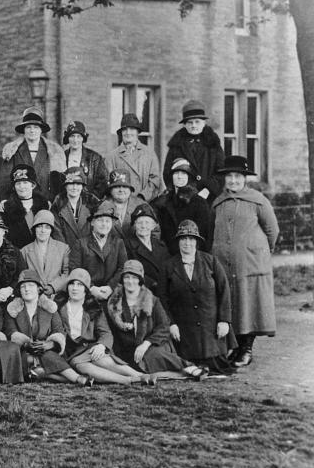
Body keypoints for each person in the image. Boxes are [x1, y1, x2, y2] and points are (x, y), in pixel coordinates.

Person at [211, 155, 279, 367]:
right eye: (229, 176)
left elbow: (272, 230)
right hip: (224, 262)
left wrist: (259, 251)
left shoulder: (258, 200)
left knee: (248, 304)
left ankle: (247, 349)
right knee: (231, 304)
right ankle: (236, 348)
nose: (233, 181)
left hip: (250, 264)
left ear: (245, 178)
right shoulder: (218, 202)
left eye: (237, 176)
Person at [158, 220, 236, 374]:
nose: (187, 243)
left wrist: (224, 320)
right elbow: (162, 299)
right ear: (178, 242)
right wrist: (171, 324)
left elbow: (224, 291)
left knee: (218, 367)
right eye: (183, 239)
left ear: (197, 242)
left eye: (191, 239)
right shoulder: (168, 266)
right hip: (184, 332)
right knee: (187, 365)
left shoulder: (211, 261)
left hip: (211, 329)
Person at [107, 260, 206, 381]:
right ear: (122, 280)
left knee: (152, 354)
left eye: (134, 277)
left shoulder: (152, 300)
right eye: (126, 277)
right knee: (123, 361)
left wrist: (146, 344)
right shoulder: (114, 302)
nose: (130, 281)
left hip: (153, 344)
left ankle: (188, 366)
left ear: (140, 280)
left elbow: (164, 326)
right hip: (127, 348)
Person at [58, 268, 154, 385]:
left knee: (103, 360)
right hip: (69, 351)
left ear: (86, 289)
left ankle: (140, 375)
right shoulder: (59, 306)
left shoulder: (93, 307)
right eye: (72, 284)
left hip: (89, 347)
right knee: (82, 365)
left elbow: (105, 332)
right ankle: (129, 380)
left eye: (80, 285)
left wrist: (102, 345)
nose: (74, 288)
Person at [4, 270, 92, 386]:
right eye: (23, 286)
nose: (26, 289)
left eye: (31, 285)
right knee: (28, 358)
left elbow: (59, 330)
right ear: (19, 291)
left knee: (47, 355)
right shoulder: (12, 309)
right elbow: (11, 332)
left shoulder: (49, 308)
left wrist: (51, 344)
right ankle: (72, 379)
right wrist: (25, 344)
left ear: (39, 289)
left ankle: (71, 378)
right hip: (22, 353)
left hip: (45, 352)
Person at [68, 202, 127, 312]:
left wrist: (110, 287)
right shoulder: (81, 243)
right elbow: (75, 269)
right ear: (92, 223)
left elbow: (122, 268)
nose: (104, 224)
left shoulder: (118, 243)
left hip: (112, 294)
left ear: (112, 224)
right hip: (86, 294)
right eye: (100, 220)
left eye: (108, 221)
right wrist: (91, 288)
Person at [163, 100, 225, 203]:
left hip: (208, 197)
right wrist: (180, 193)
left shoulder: (213, 144)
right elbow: (167, 173)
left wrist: (208, 190)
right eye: (190, 122)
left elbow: (221, 172)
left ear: (204, 123)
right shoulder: (177, 145)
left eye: (197, 122)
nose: (193, 125)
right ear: (184, 125)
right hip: (182, 199)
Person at [0, 106, 66, 201]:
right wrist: (5, 201)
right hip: (19, 202)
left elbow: (59, 182)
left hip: (46, 202)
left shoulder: (53, 151)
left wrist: (55, 203)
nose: (32, 130)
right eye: (28, 127)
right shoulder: (13, 151)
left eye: (36, 127)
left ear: (41, 130)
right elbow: (5, 180)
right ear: (24, 130)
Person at [152, 158, 213, 254]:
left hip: (192, 254)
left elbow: (205, 234)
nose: (179, 177)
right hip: (168, 255)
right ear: (171, 177)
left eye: (184, 173)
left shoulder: (199, 203)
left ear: (189, 177)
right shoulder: (163, 202)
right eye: (176, 173)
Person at [105, 113, 162, 202]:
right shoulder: (111, 157)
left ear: (137, 132)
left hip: (144, 204)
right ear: (121, 133)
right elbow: (108, 183)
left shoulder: (149, 154)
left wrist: (142, 197)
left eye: (132, 129)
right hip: (120, 204)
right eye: (125, 130)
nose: (128, 133)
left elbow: (155, 180)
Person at [20, 210, 69, 302]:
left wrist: (53, 286)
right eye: (39, 226)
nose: (43, 230)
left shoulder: (63, 248)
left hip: (58, 297)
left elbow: (67, 273)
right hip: (33, 297)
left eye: (47, 227)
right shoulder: (24, 251)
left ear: (51, 230)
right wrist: (35, 287)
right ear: (34, 229)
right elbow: (22, 275)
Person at [122, 203, 170, 295]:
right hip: (143, 292)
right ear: (134, 225)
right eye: (140, 222)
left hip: (165, 291)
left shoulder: (160, 245)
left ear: (153, 226)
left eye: (147, 222)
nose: (143, 226)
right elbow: (128, 271)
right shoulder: (126, 245)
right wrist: (154, 284)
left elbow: (169, 268)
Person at [0, 164, 51, 248]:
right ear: (14, 187)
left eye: (25, 182)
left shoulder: (44, 205)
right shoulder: (7, 207)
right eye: (18, 183)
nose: (22, 186)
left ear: (33, 185)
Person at [51, 167, 98, 249]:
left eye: (78, 184)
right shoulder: (57, 205)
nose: (74, 187)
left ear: (83, 186)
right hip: (66, 251)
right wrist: (65, 252)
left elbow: (97, 230)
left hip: (89, 251)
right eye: (71, 184)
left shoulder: (92, 203)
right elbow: (57, 232)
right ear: (65, 186)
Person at [62, 120, 108, 200]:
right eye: (72, 136)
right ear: (68, 138)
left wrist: (89, 201)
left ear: (83, 138)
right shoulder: (61, 157)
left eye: (79, 136)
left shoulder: (95, 158)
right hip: (66, 202)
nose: (75, 140)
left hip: (89, 204)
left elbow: (102, 183)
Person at [101, 169, 142, 239]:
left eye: (125, 186)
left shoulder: (141, 205)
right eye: (117, 187)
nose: (121, 190)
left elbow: (155, 231)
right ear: (110, 190)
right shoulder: (102, 206)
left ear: (130, 189)